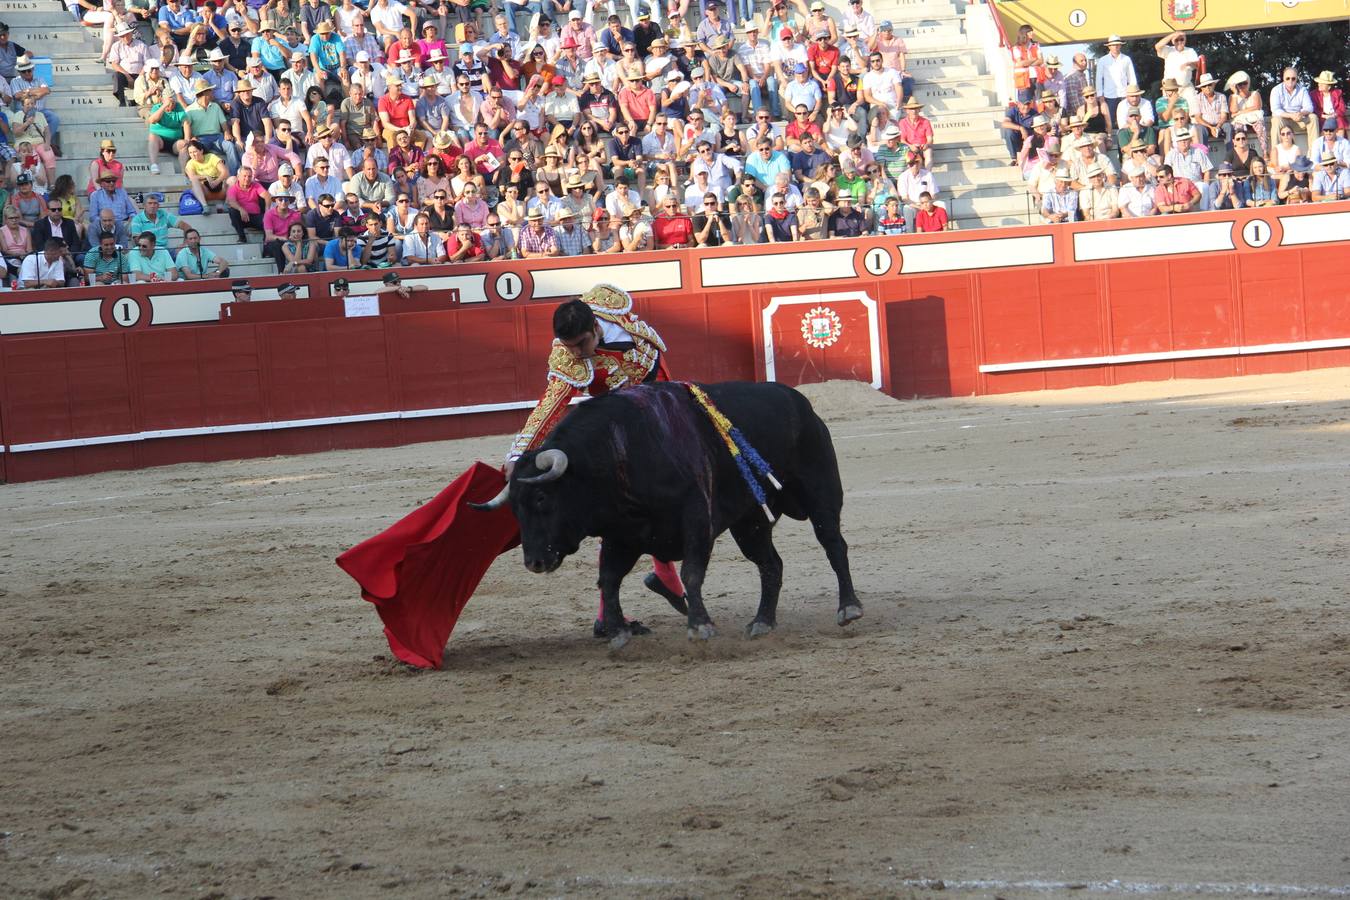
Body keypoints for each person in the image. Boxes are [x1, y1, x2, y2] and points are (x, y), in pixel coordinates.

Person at [493, 287, 686, 636]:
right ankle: (610, 612)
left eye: (582, 343)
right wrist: (517, 454)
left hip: (666, 404)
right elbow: (548, 408)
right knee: (628, 512)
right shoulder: (569, 360)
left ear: (596, 326)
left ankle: (663, 576)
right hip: (628, 433)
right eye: (570, 348)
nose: (578, 353)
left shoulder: (608, 304)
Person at [1271, 67, 1316, 151]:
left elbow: (1309, 107)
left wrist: (1301, 114)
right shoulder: (1276, 90)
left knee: (1313, 118)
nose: (1290, 81)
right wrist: (1290, 115)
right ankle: (1275, 154)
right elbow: (1275, 109)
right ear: (1283, 78)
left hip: (1298, 119)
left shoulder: (1302, 90)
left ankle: (1314, 154)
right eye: (1287, 78)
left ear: (1296, 79)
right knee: (1276, 120)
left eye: (1293, 78)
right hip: (1283, 120)